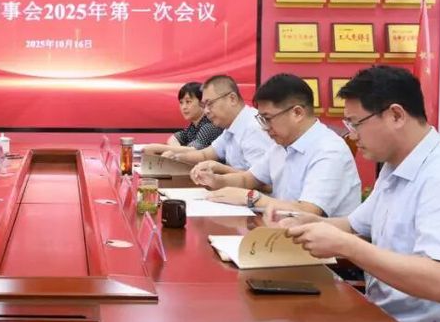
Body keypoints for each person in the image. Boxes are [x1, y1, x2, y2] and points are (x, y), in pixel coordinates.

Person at [278, 66, 440, 322]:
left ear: (396, 115)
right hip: (385, 319)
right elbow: (353, 225)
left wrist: (346, 246)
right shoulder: (397, 164)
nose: (352, 136)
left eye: (356, 123)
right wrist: (308, 223)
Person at [196, 73, 361, 218]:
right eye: (261, 119)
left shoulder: (329, 150)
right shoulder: (281, 144)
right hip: (282, 231)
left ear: (297, 113)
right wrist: (216, 180)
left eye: (267, 119)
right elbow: (247, 179)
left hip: (320, 242)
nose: (264, 127)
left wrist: (250, 197)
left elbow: (307, 211)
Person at [153, 75, 274, 180]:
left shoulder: (254, 127)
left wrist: (219, 168)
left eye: (210, 104)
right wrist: (176, 157)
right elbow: (205, 155)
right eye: (204, 105)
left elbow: (263, 181)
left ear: (232, 99)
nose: (206, 111)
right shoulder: (230, 127)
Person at [140, 82, 224, 156]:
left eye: (188, 102)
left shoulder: (210, 125)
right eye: (181, 102)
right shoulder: (193, 126)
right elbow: (174, 138)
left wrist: (158, 148)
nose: (184, 107)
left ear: (202, 103)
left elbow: (195, 152)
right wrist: (176, 151)